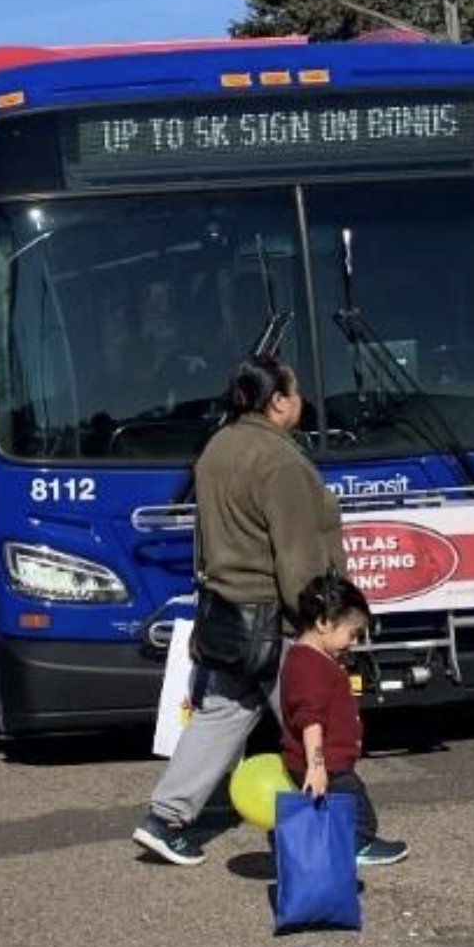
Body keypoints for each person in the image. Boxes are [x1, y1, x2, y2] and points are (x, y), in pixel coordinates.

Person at [133, 355, 340, 868]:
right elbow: (297, 554)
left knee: (222, 714)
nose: (302, 402)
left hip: (228, 613)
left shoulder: (217, 448)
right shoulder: (280, 461)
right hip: (278, 617)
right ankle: (350, 835)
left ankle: (163, 818)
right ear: (277, 401)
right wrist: (320, 618)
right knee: (317, 718)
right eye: (296, 392)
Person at [280, 576, 409, 866]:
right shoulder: (308, 664)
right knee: (360, 815)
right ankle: (355, 847)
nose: (354, 643)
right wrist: (317, 766)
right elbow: (309, 719)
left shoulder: (311, 657)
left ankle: (332, 849)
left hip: (330, 762)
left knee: (335, 809)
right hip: (328, 764)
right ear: (324, 622)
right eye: (352, 634)